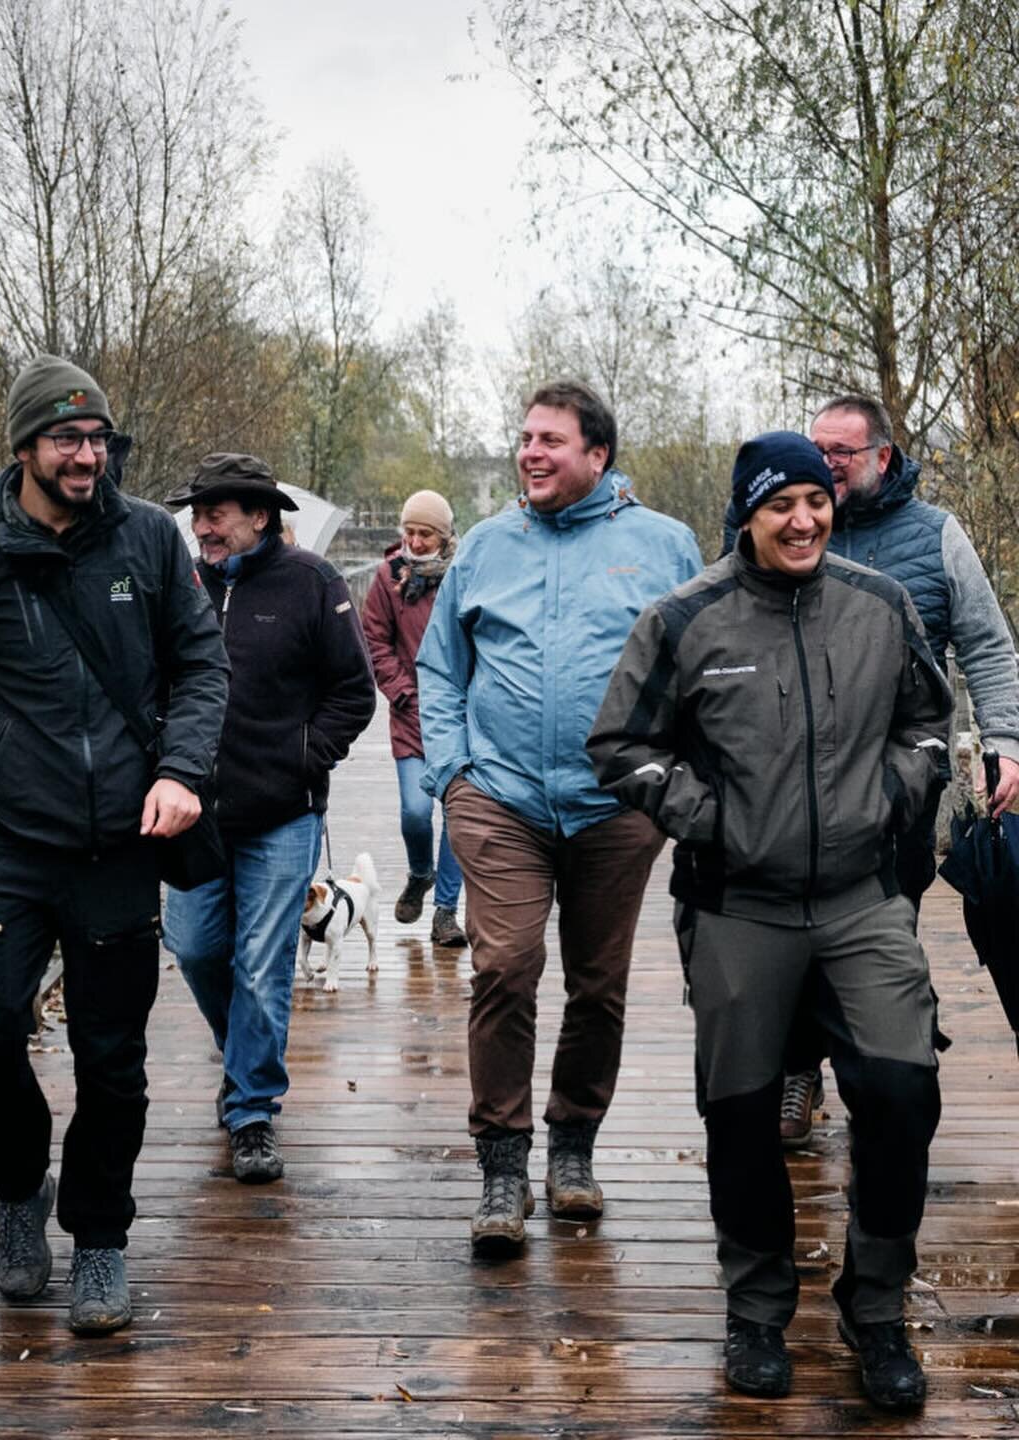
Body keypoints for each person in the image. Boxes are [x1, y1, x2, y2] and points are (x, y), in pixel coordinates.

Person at [590, 432, 952, 1411]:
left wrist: (893, 792)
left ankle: (876, 1310)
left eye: (816, 501)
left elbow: (931, 719)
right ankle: (756, 1308)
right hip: (738, 907)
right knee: (742, 1115)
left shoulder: (881, 607)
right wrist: (713, 819)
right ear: (747, 513)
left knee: (902, 1091)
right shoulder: (686, 620)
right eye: (780, 504)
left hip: (859, 902)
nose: (802, 520)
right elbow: (621, 746)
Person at [0, 356, 229, 1335]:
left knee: (113, 1058)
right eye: (66, 439)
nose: (87, 455)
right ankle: (17, 1189)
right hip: (7, 843)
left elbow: (201, 663)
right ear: (24, 447)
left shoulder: (148, 542)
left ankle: (99, 1239)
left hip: (120, 847)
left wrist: (182, 770)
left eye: (97, 440)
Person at [416, 380, 702, 1248]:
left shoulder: (664, 547)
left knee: (599, 981)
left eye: (550, 440)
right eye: (525, 438)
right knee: (504, 965)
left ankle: (572, 1148)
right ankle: (502, 1166)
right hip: (499, 795)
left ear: (598, 455)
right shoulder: (486, 548)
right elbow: (440, 670)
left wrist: (675, 782)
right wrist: (452, 774)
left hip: (617, 805)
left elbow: (705, 666)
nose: (530, 453)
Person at [767, 395, 1019, 1145]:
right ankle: (798, 1067)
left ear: (883, 456)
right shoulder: (784, 525)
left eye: (840, 453)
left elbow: (988, 647)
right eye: (816, 450)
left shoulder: (938, 537)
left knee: (882, 922)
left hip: (904, 779)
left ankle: (880, 1061)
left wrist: (1005, 739)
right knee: (787, 924)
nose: (825, 465)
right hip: (791, 776)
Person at [161, 454, 375, 1184]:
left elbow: (354, 691)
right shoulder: (181, 584)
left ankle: (252, 1110)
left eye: (215, 513)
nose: (202, 527)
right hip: (192, 810)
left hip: (282, 812)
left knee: (261, 962)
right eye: (196, 515)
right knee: (193, 947)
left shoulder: (311, 582)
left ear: (259, 515)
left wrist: (305, 758)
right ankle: (244, 1060)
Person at [360, 488, 467, 947]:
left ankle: (446, 912)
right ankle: (420, 872)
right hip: (412, 712)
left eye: (426, 534)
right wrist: (401, 690)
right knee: (416, 811)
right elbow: (374, 640)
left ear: (444, 537)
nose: (417, 541)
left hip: (462, 716)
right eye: (410, 532)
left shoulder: (463, 575)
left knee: (460, 817)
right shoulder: (389, 577)